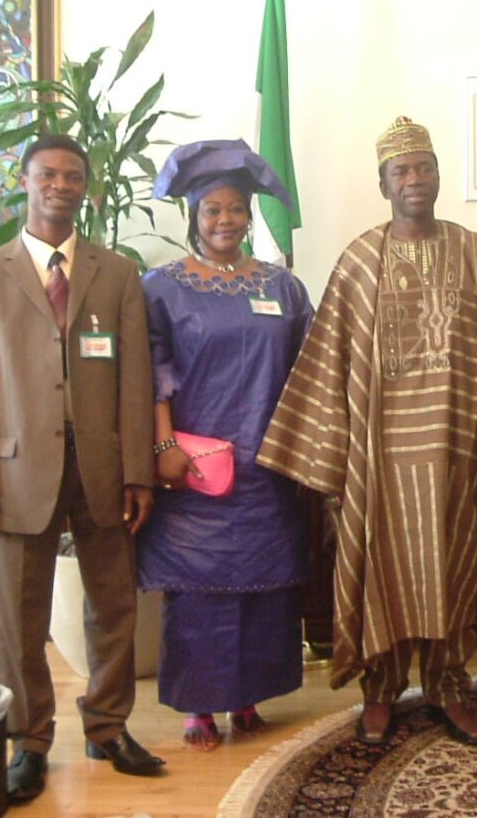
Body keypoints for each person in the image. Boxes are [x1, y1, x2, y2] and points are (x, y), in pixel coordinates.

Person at [257, 116, 477, 747]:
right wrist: (333, 454)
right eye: (401, 171)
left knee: (454, 567)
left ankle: (449, 685)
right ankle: (381, 690)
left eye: (424, 168)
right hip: (380, 453)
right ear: (384, 184)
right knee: (384, 571)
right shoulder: (361, 261)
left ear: (439, 175)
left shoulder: (476, 255)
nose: (415, 179)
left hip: (459, 446)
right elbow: (329, 358)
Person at [0, 133, 164, 804]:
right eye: (48, 174)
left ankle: (108, 727)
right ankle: (28, 741)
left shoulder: (117, 274)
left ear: (86, 188)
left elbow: (135, 379)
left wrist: (139, 471)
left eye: (73, 176)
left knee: (115, 607)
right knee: (21, 618)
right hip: (18, 471)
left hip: (103, 466)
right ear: (25, 181)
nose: (60, 185)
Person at [138, 139, 314, 750]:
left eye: (236, 208)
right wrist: (164, 445)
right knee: (198, 594)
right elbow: (152, 371)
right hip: (196, 468)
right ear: (194, 214)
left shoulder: (282, 287)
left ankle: (245, 699)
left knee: (265, 588)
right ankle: (199, 708)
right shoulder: (162, 288)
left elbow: (309, 369)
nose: (225, 220)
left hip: (269, 463)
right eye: (212, 209)